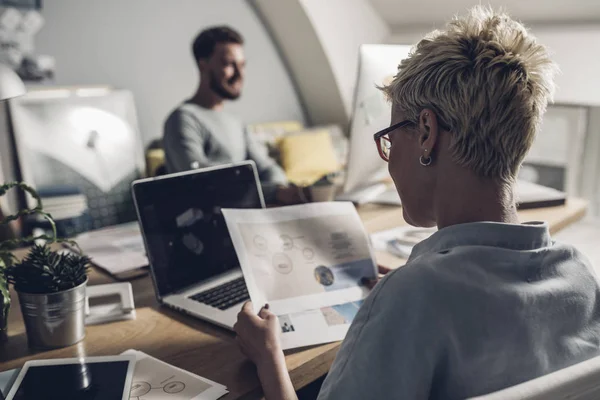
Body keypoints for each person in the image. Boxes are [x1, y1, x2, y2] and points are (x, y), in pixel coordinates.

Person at [233, 6, 600, 399]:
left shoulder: (410, 298)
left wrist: (268, 355)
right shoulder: (580, 276)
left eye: (390, 139)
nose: (389, 162)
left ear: (426, 132)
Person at [163, 26, 303, 205]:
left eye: (242, 65)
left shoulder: (236, 122)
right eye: (229, 64)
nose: (240, 74)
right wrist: (273, 192)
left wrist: (281, 188)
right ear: (203, 64)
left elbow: (267, 167)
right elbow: (199, 182)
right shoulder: (183, 118)